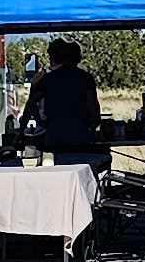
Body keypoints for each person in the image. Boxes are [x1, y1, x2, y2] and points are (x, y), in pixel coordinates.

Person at [15, 37, 109, 167]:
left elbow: (31, 105)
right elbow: (94, 111)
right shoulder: (85, 78)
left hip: (54, 137)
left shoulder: (47, 79)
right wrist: (92, 128)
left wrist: (26, 130)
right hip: (81, 137)